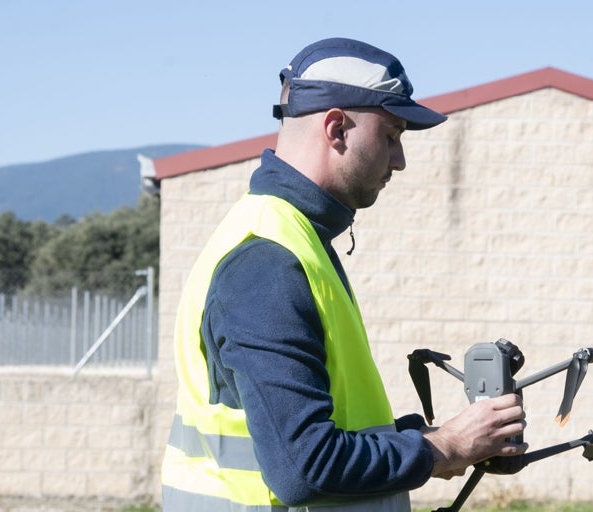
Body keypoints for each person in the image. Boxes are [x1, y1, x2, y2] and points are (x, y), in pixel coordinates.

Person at [161, 37, 528, 511]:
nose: (399, 160)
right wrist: (443, 448)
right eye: (391, 136)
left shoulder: (294, 239)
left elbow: (318, 435)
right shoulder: (269, 262)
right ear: (336, 129)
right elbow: (304, 467)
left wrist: (425, 438)